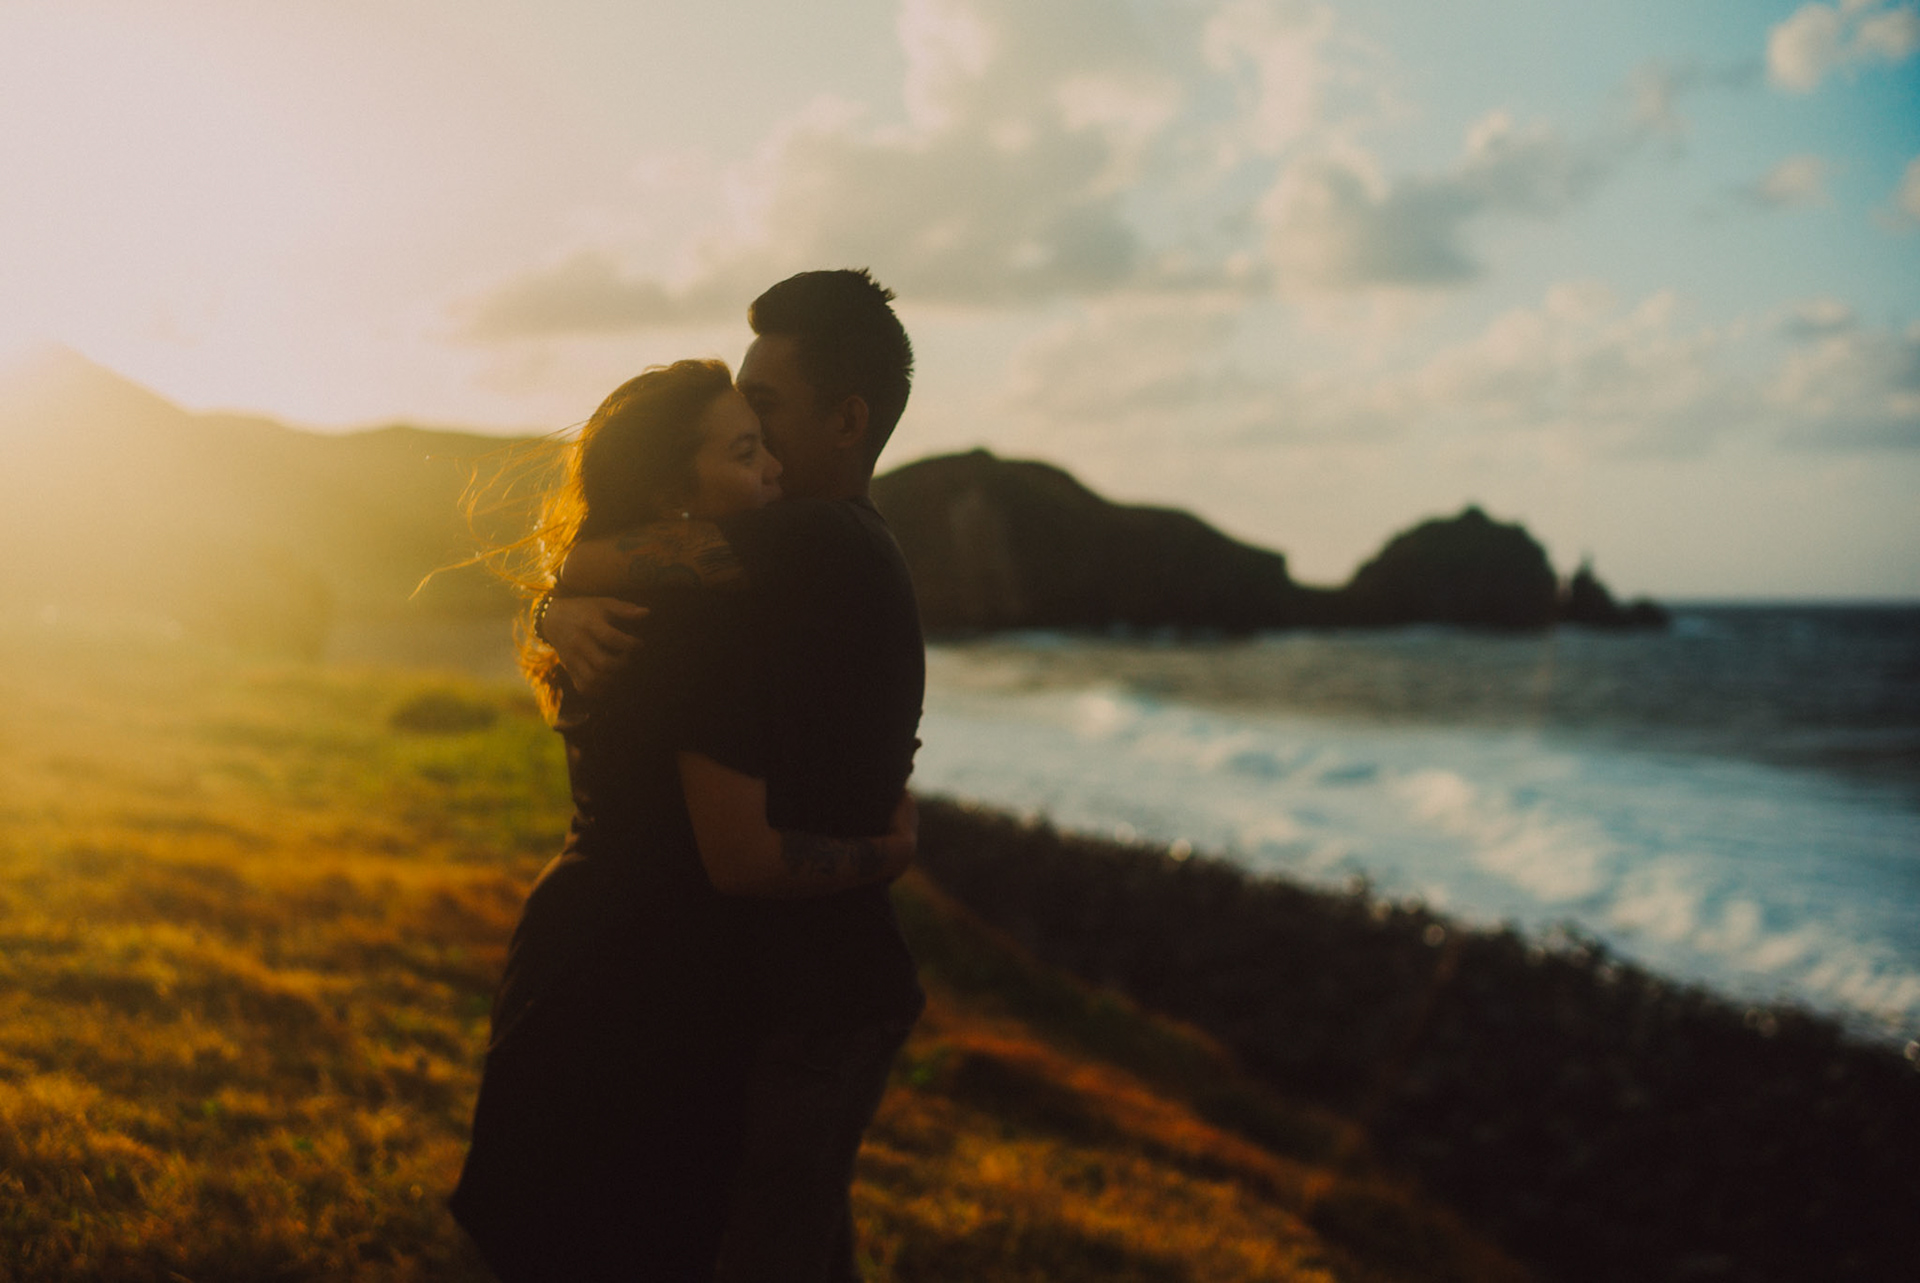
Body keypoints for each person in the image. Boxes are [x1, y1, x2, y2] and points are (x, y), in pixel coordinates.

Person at [449, 353, 918, 1282]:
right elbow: (739, 858)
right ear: (673, 493)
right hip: (640, 990)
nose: (774, 467)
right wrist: (890, 846)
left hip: (586, 952)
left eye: (768, 434)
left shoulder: (642, 601)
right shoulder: (699, 626)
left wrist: (551, 603)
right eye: (747, 449)